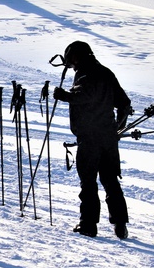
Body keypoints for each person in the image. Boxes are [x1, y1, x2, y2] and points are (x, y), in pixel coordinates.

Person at [52, 40, 132, 239]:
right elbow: (124, 102)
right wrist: (117, 127)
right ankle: (120, 225)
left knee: (88, 182)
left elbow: (83, 95)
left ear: (77, 57)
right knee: (110, 181)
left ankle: (88, 224)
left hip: (90, 138)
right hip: (108, 139)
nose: (71, 67)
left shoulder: (87, 74)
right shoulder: (106, 72)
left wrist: (64, 95)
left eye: (71, 62)